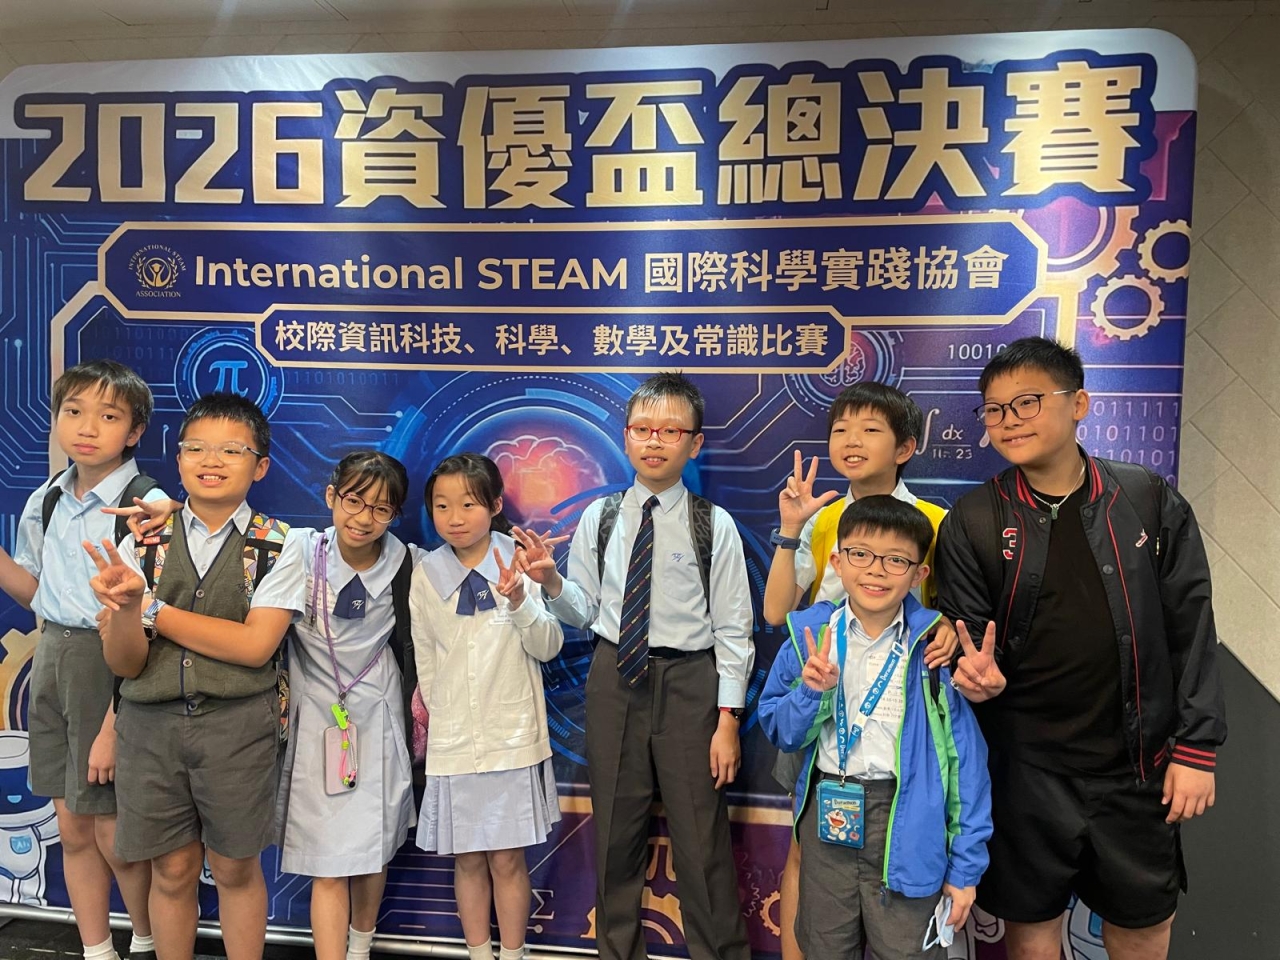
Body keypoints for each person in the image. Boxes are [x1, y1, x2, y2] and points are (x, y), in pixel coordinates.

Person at [934, 336, 1227, 960]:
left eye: (1028, 402)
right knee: (1031, 932)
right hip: (1025, 772)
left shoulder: (1147, 499)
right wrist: (975, 676)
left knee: (1142, 928)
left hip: (1138, 767)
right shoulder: (974, 518)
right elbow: (964, 636)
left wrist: (1197, 748)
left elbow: (1192, 627)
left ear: (1079, 404)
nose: (1009, 421)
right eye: (995, 409)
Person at [516, 372, 753, 960]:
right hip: (614, 678)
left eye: (670, 431)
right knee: (615, 836)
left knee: (701, 840)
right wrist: (551, 582)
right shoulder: (600, 518)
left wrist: (727, 718)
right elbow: (585, 610)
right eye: (643, 429)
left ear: (694, 443)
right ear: (626, 437)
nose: (655, 441)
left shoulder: (712, 524)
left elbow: (733, 630)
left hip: (690, 683)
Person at [85, 393, 291, 960]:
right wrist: (126, 610)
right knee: (171, 869)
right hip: (150, 729)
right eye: (196, 448)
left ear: (260, 466)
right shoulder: (140, 542)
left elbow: (254, 647)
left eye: (231, 450)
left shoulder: (280, 543)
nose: (211, 460)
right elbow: (126, 664)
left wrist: (151, 610)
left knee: (234, 867)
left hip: (238, 730)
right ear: (177, 460)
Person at [761, 382, 955, 960]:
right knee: (805, 851)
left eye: (871, 430)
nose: (852, 441)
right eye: (841, 429)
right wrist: (791, 529)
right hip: (817, 704)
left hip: (896, 717)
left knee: (899, 852)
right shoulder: (822, 518)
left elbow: (948, 613)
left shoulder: (936, 522)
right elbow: (776, 612)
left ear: (905, 447)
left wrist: (950, 630)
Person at [759, 495, 991, 960]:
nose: (876, 571)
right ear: (837, 562)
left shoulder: (934, 651)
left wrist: (966, 869)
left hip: (908, 822)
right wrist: (811, 693)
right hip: (829, 814)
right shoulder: (809, 639)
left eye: (896, 560)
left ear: (919, 574)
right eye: (861, 554)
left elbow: (966, 766)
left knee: (907, 951)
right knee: (825, 948)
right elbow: (780, 731)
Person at [0, 360, 158, 960]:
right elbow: (35, 591)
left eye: (109, 416)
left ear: (135, 431)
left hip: (112, 660)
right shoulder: (47, 499)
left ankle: (146, 941)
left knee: (115, 830)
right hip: (52, 655)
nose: (87, 427)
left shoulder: (145, 503)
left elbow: (151, 613)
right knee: (71, 827)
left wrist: (114, 721)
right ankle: (96, 949)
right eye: (73, 411)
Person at [241, 450, 419, 960]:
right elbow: (234, 529)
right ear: (330, 497)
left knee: (372, 848)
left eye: (381, 509)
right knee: (328, 859)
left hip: (377, 715)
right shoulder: (298, 548)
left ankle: (360, 948)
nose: (363, 518)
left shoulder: (407, 562)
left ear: (395, 515)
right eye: (353, 501)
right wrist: (166, 507)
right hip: (317, 719)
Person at [411, 453, 564, 960]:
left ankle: (514, 954)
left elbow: (548, 646)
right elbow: (426, 657)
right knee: (468, 860)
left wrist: (519, 600)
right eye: (442, 506)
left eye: (468, 504)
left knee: (506, 859)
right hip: (454, 742)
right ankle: (479, 954)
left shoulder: (519, 559)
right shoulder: (426, 573)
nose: (454, 517)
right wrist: (443, 717)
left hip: (511, 739)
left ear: (495, 505)